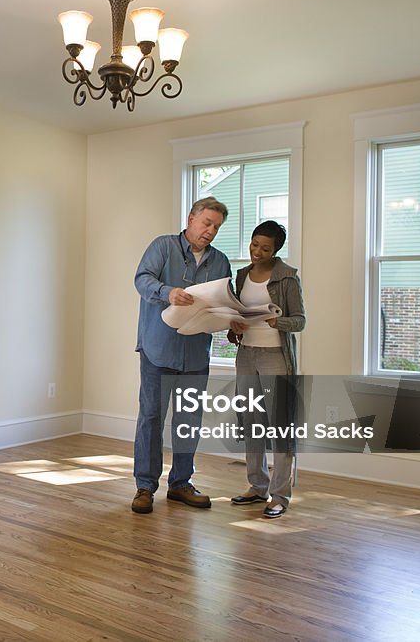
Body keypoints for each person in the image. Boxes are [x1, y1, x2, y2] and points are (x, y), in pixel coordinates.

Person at [131, 197, 232, 514]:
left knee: (188, 422)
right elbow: (142, 279)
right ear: (191, 218)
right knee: (151, 419)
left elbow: (224, 302)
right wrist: (167, 292)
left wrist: (232, 317)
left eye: (216, 226)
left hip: (195, 355)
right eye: (207, 223)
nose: (210, 231)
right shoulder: (162, 247)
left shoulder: (220, 262)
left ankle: (180, 484)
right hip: (157, 351)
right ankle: (145, 487)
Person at [229, 220, 306, 519]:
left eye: (265, 248)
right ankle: (257, 486)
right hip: (246, 354)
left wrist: (278, 322)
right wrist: (234, 328)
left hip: (275, 356)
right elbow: (237, 313)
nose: (257, 252)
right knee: (251, 422)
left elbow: (300, 320)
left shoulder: (287, 278)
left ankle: (280, 496)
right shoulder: (241, 276)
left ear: (276, 250)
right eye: (254, 244)